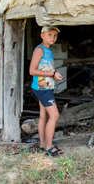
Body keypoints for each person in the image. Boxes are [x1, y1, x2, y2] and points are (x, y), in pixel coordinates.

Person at [29, 26, 63, 156]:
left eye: (55, 35)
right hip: (42, 88)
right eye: (49, 35)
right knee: (54, 115)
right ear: (42, 35)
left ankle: (43, 144)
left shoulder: (48, 50)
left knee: (44, 115)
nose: (53, 38)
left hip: (46, 87)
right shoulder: (39, 50)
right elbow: (31, 71)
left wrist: (54, 74)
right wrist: (52, 73)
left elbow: (46, 69)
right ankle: (49, 146)